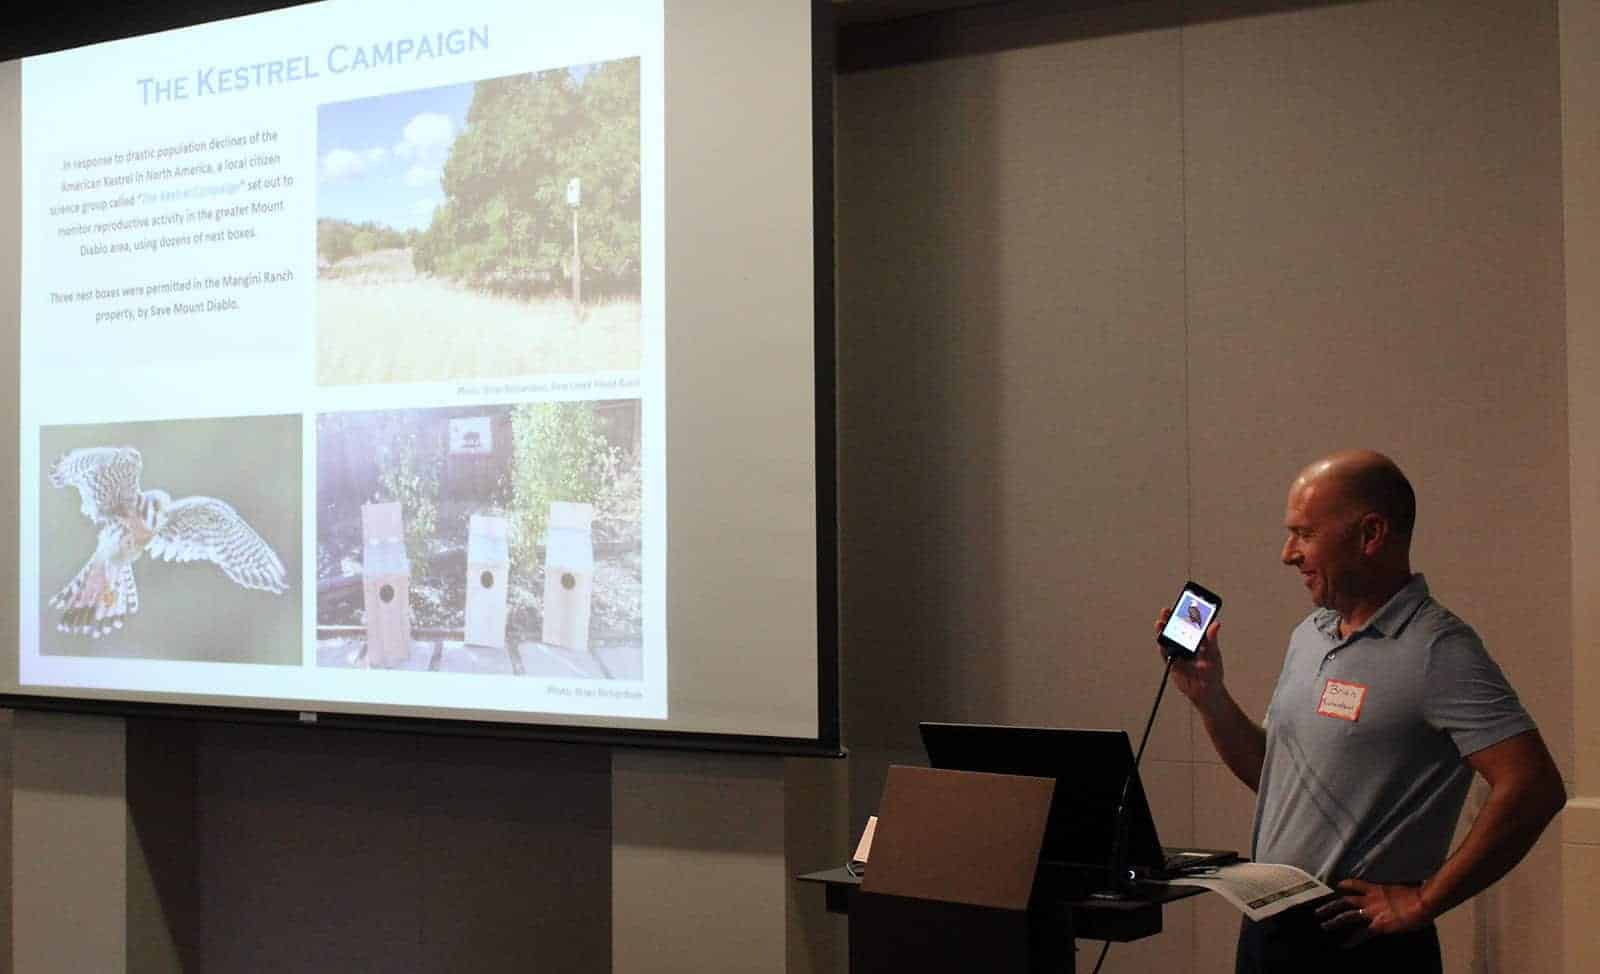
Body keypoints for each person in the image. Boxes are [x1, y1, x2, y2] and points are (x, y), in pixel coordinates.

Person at [1160, 450, 1566, 973]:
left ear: (1370, 534)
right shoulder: (1310, 634)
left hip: (1358, 941)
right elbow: (1276, 776)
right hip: (1271, 929)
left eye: (1304, 534)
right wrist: (1209, 697)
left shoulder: (1437, 649)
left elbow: (1533, 785)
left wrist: (1424, 901)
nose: (1288, 553)